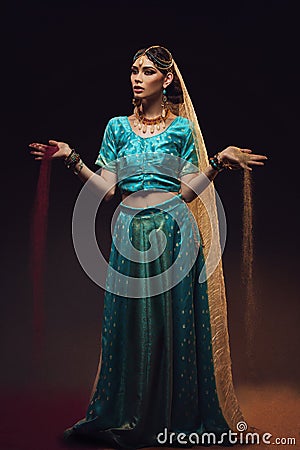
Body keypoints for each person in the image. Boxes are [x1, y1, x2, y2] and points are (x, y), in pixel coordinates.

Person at [29, 45, 267, 448]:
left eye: (145, 72)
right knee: (131, 323)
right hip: (129, 234)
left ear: (167, 79)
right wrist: (72, 159)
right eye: (133, 71)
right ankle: (129, 412)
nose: (136, 78)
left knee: (173, 325)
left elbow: (189, 193)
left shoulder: (180, 131)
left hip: (175, 232)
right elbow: (107, 191)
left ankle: (172, 415)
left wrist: (218, 162)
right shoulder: (117, 128)